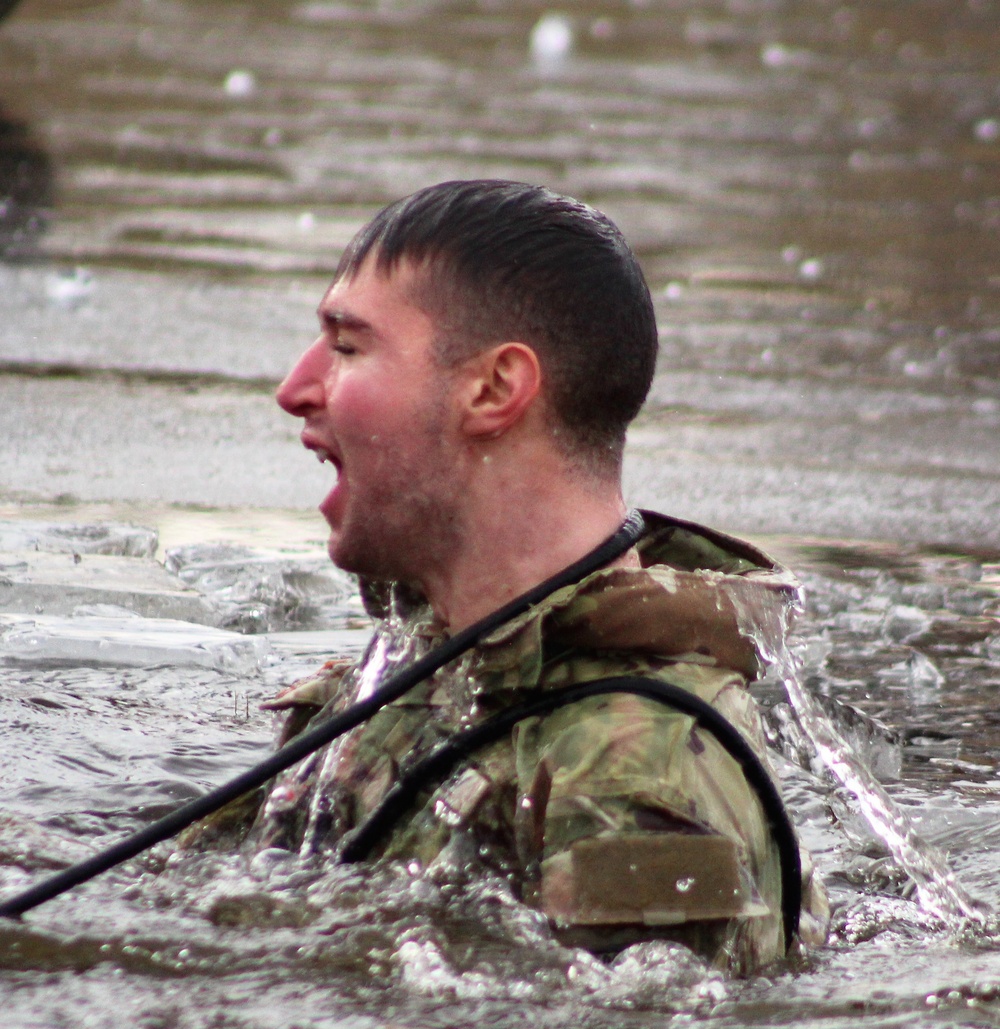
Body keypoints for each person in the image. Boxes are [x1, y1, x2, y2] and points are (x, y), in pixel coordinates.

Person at [195, 179, 828, 971]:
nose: (295, 390)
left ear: (494, 390)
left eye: (348, 346)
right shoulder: (434, 666)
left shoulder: (636, 774)